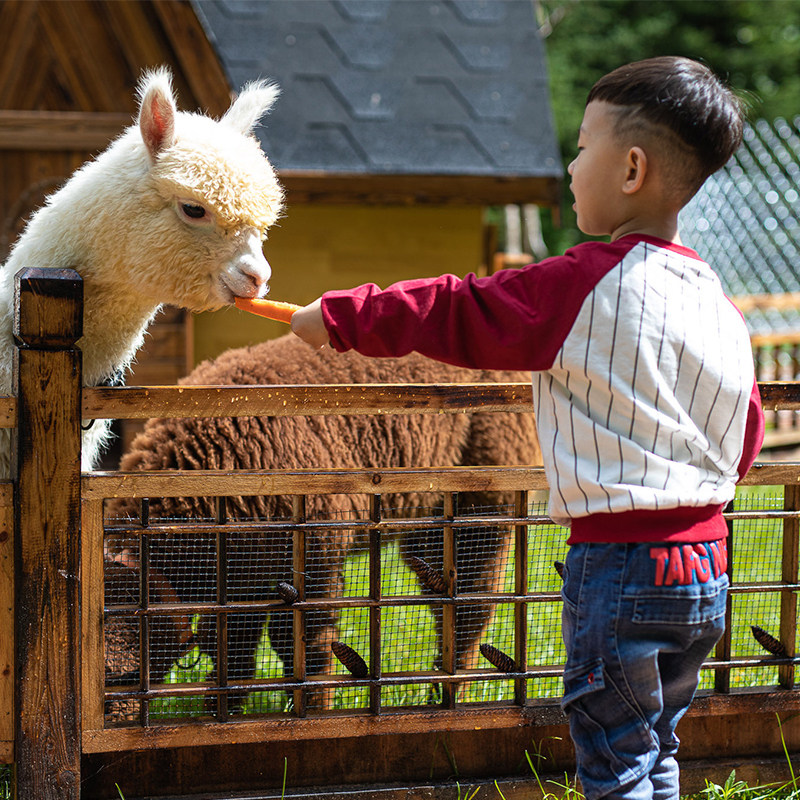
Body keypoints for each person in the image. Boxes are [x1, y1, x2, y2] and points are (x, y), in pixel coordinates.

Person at [290, 56, 765, 800]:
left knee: (615, 758)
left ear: (631, 168)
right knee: (654, 746)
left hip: (621, 567)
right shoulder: (716, 299)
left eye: (581, 146)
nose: (571, 165)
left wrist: (339, 317)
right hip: (706, 565)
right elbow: (744, 436)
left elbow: (458, 308)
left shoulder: (579, 284)